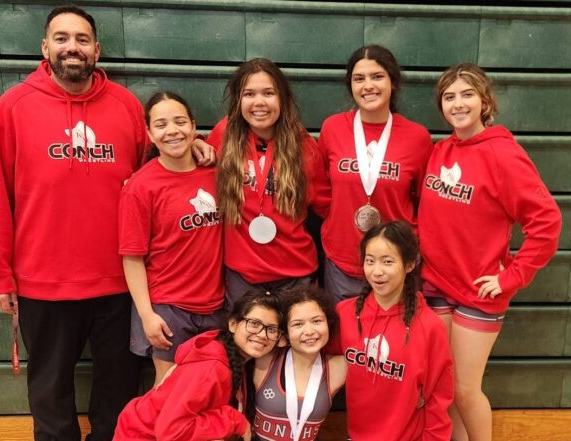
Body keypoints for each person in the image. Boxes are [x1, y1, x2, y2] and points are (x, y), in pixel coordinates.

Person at [0, 6, 214, 440]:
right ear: (45, 47)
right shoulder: (12, 108)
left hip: (117, 282)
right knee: (49, 389)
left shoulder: (125, 106)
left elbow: (161, 165)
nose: (72, 47)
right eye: (62, 38)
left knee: (118, 387)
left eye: (82, 39)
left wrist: (197, 147)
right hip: (42, 280)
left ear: (97, 49)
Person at [418, 63, 562, 441]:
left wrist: (511, 276)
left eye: (467, 94)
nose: (458, 103)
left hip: (477, 292)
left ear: (485, 102)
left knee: (466, 389)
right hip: (436, 286)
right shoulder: (440, 151)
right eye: (449, 97)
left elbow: (546, 224)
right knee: (446, 390)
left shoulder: (503, 154)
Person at [119, 91, 225, 385]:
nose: (172, 131)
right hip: (169, 306)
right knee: (170, 388)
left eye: (180, 122)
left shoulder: (215, 173)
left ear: (193, 126)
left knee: (211, 385)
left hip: (216, 304)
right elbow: (132, 257)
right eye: (161, 125)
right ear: (150, 134)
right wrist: (146, 315)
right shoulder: (140, 187)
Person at [207, 58, 330, 306]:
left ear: (282, 99)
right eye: (249, 94)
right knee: (246, 344)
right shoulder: (223, 136)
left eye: (269, 93)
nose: (259, 102)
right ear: (237, 100)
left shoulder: (304, 146)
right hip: (242, 277)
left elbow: (326, 207)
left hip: (295, 276)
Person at [317, 45, 433, 304]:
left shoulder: (417, 137)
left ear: (393, 82)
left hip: (396, 262)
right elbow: (320, 187)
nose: (368, 85)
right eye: (359, 79)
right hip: (343, 260)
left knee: (395, 339)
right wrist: (339, 216)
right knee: (344, 339)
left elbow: (425, 202)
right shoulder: (333, 128)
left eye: (377, 76)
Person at [334, 221, 453, 441]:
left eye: (387, 262)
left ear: (409, 265)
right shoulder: (345, 314)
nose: (377, 271)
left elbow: (439, 395)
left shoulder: (430, 326)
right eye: (370, 261)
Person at [113, 290, 283, 440]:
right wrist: (233, 420)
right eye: (254, 324)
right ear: (233, 324)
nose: (262, 334)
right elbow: (172, 432)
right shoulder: (211, 367)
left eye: (271, 329)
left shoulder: (233, 355)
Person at [252, 287, 346, 441]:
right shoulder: (267, 358)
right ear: (285, 333)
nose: (309, 331)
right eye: (298, 324)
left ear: (329, 323)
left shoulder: (338, 367)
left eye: (317, 321)